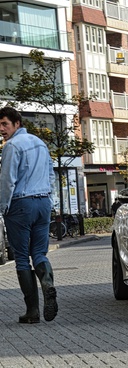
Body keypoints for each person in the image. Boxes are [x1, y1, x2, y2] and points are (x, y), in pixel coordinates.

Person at [0, 107, 57, 323]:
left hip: (20, 206)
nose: (1, 129)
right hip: (43, 203)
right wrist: (49, 198)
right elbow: (51, 174)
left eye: (5, 124)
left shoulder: (12, 146)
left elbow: (7, 180)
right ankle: (48, 285)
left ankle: (32, 312)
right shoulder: (40, 143)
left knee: (22, 258)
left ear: (17, 123)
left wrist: (2, 206)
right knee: (40, 254)